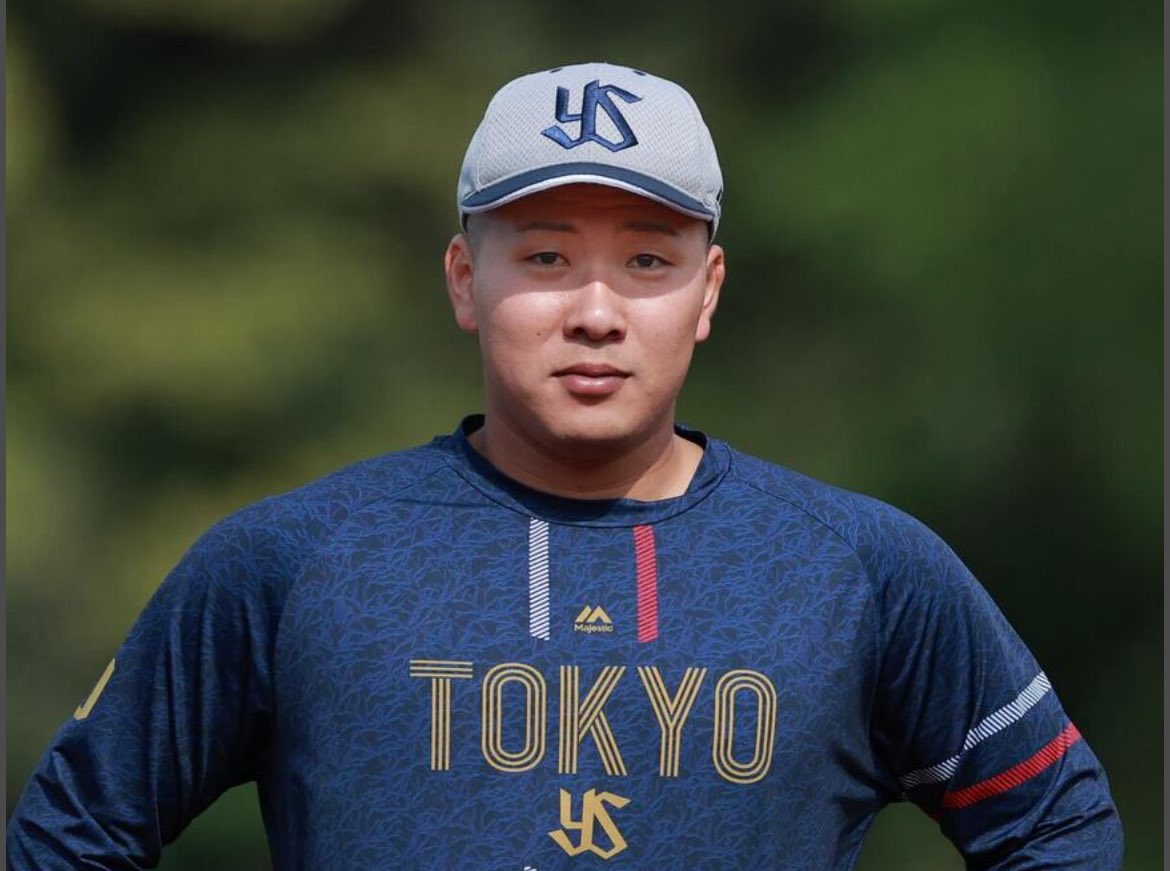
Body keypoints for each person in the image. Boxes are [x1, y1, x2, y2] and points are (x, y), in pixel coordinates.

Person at [8, 61, 1122, 870]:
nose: (596, 311)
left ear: (709, 292)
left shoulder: (862, 571)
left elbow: (1057, 823)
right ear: (465, 278)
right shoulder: (293, 563)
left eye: (647, 261)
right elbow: (71, 833)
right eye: (545, 256)